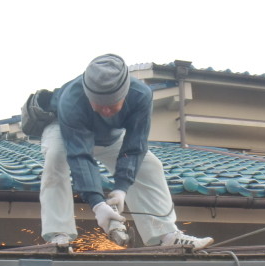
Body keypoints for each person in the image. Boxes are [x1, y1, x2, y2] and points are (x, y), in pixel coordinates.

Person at [38, 53, 213, 250]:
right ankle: (58, 235)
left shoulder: (140, 95)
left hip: (110, 136)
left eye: (111, 104)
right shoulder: (71, 99)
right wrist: (98, 205)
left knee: (149, 166)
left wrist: (121, 189)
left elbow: (135, 146)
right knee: (55, 159)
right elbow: (80, 156)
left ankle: (166, 234)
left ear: (124, 94)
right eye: (99, 104)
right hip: (65, 130)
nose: (105, 111)